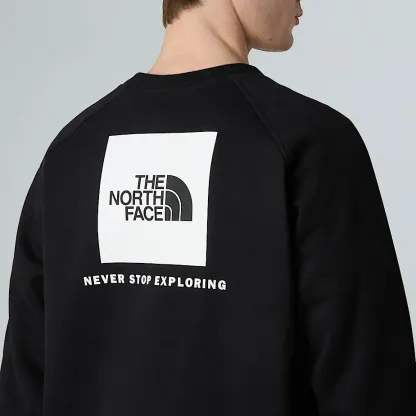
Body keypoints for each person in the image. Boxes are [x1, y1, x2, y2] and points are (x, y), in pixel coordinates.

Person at [1, 0, 415, 414]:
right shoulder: (312, 143)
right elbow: (371, 384)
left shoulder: (71, 151)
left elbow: (22, 389)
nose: (300, 3)